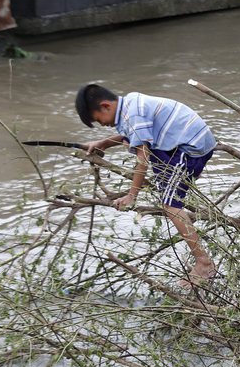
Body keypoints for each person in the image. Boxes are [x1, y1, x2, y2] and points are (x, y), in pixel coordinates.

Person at [75, 83, 218, 283]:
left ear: (106, 106)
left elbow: (142, 157)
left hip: (190, 149)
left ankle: (204, 262)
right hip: (187, 143)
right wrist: (103, 143)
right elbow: (130, 135)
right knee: (165, 189)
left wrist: (132, 195)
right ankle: (185, 220)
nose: (103, 125)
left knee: (170, 205)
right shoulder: (131, 104)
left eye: (100, 120)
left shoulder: (133, 114)